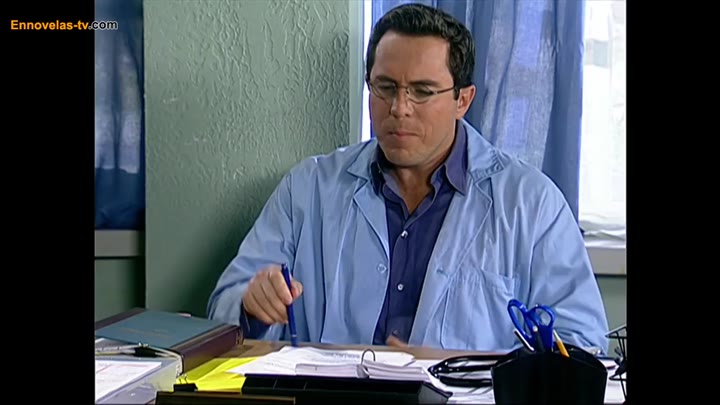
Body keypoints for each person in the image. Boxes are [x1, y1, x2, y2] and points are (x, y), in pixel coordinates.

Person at [207, 3, 609, 353]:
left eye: (422, 91)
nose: (399, 108)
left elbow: (582, 343)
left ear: (462, 100)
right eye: (385, 87)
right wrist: (251, 305)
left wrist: (458, 369)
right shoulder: (308, 188)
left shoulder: (531, 203)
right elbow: (222, 310)